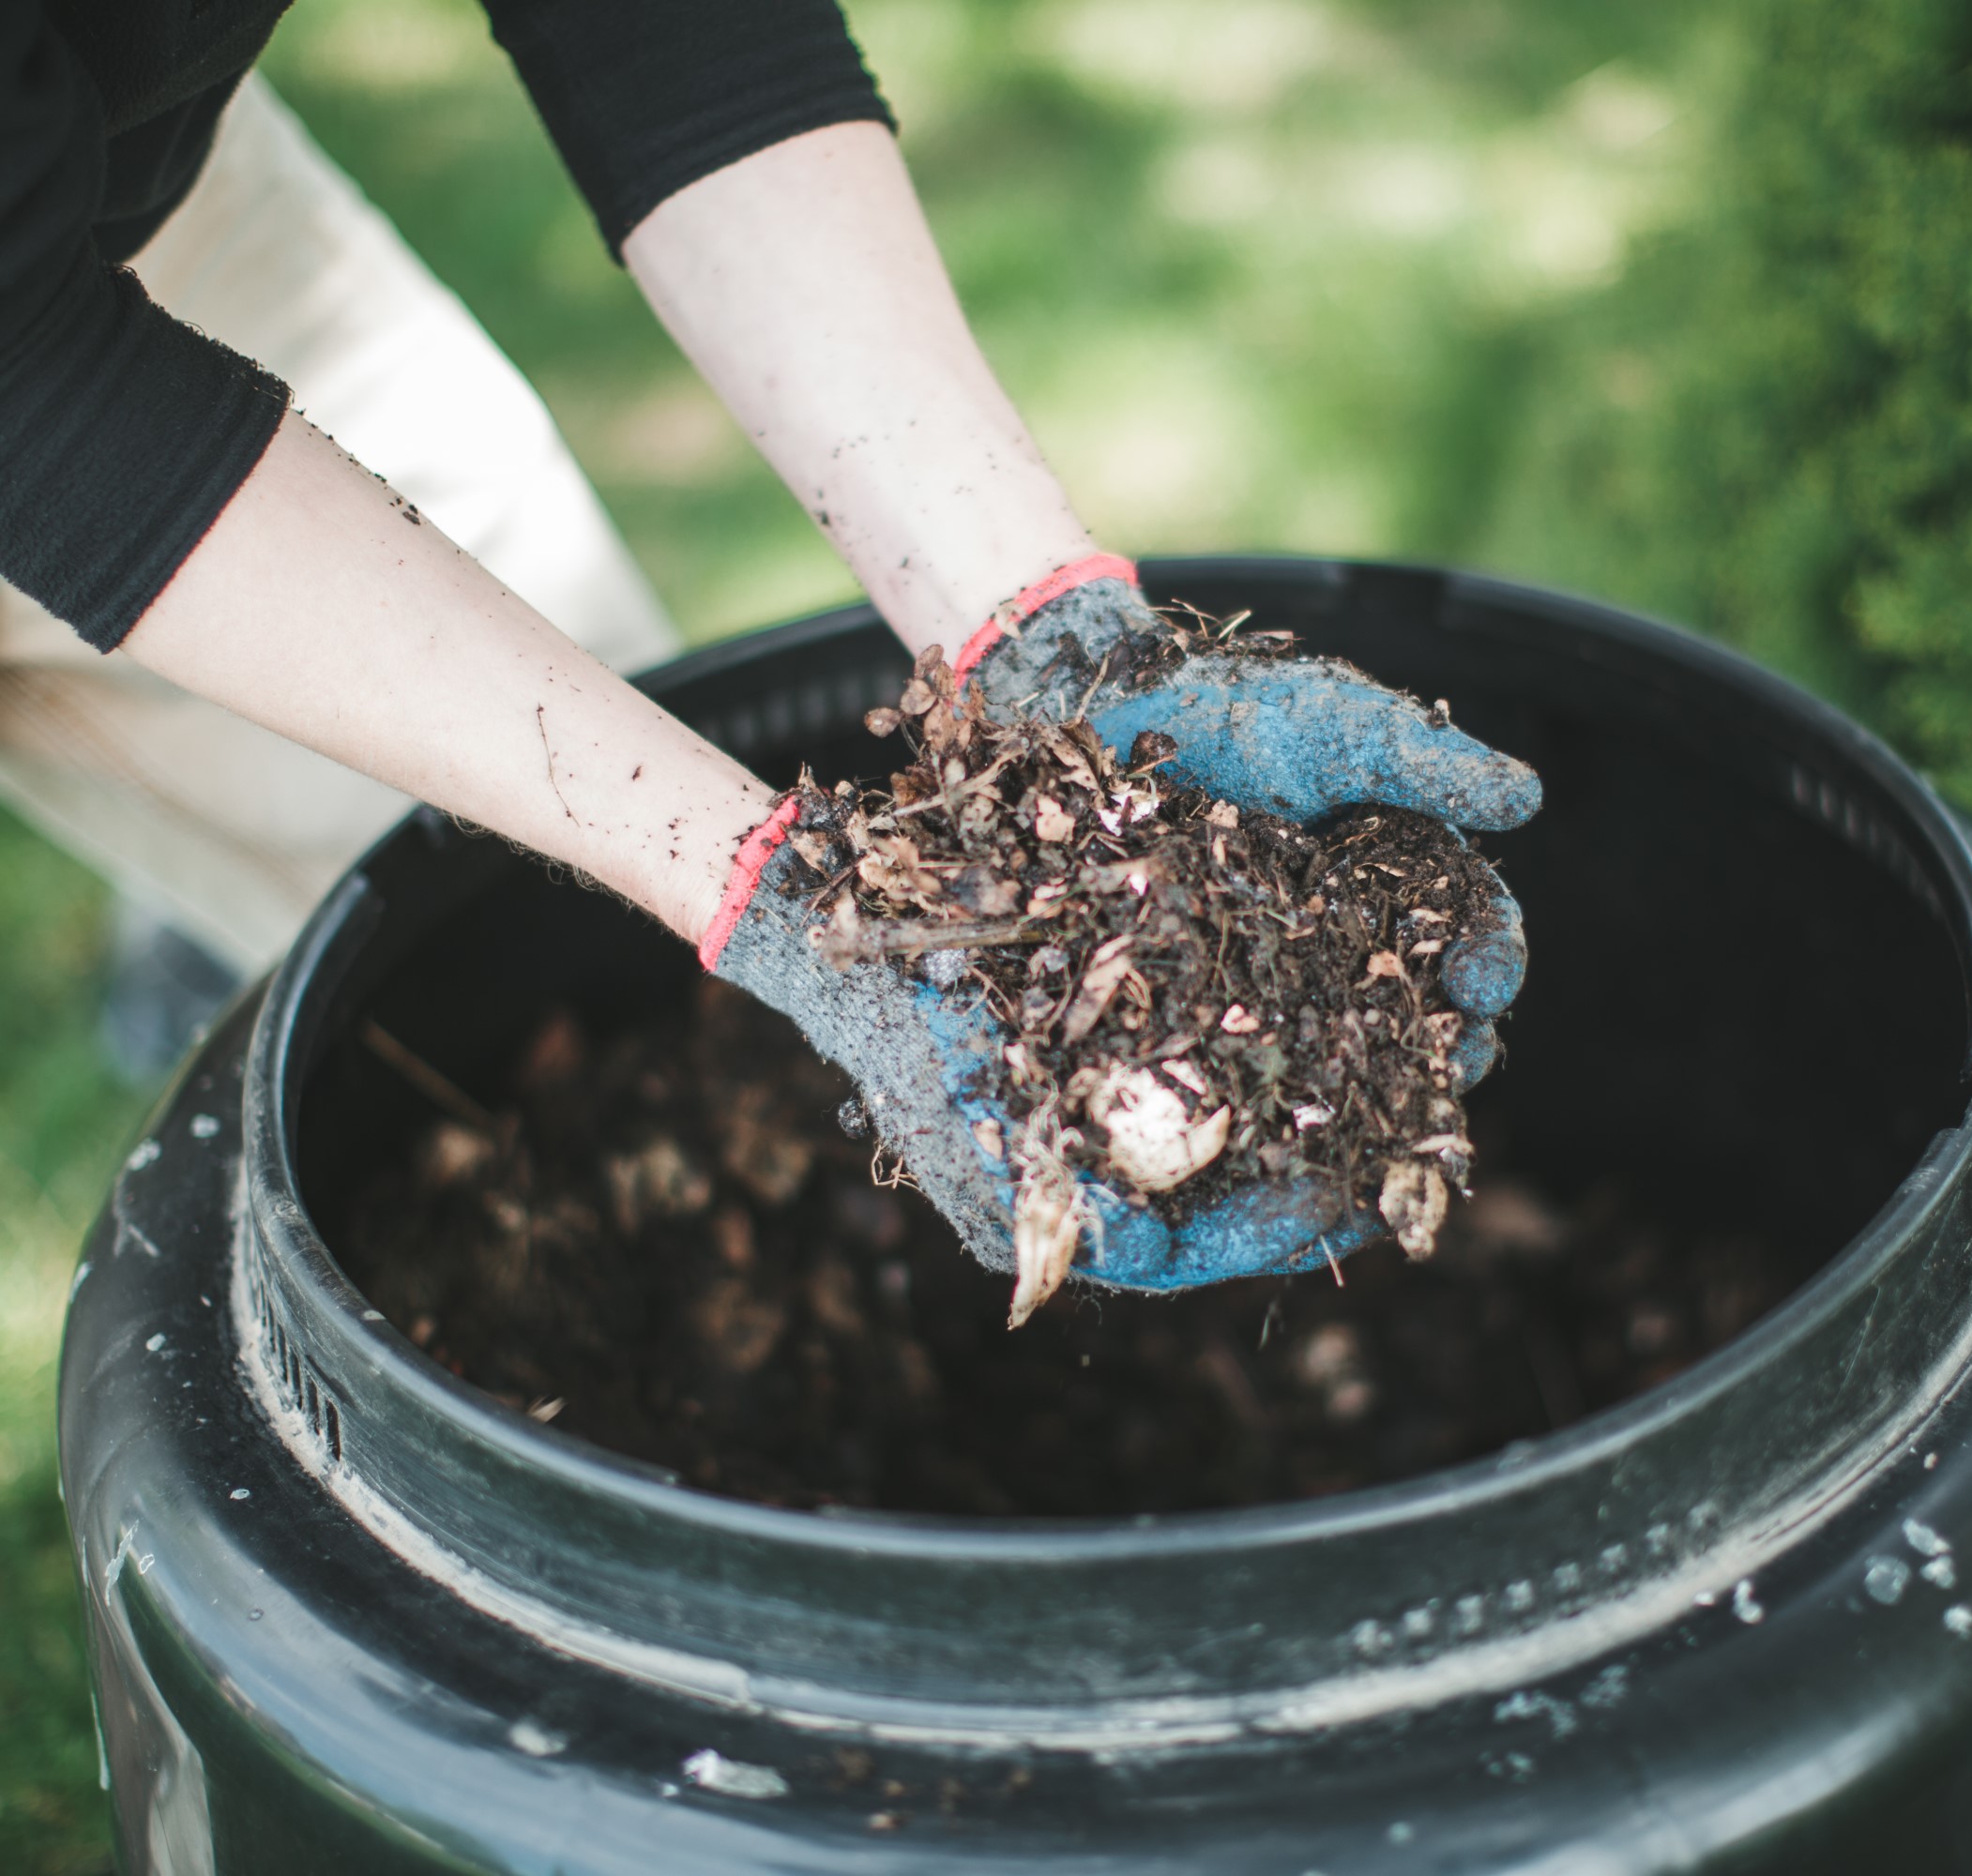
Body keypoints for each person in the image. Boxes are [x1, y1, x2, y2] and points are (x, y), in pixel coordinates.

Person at [0, 0, 1538, 1294]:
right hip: (27, 354)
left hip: (112, 197)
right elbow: (34, 398)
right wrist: (789, 901)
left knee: (554, 959)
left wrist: (1045, 631)